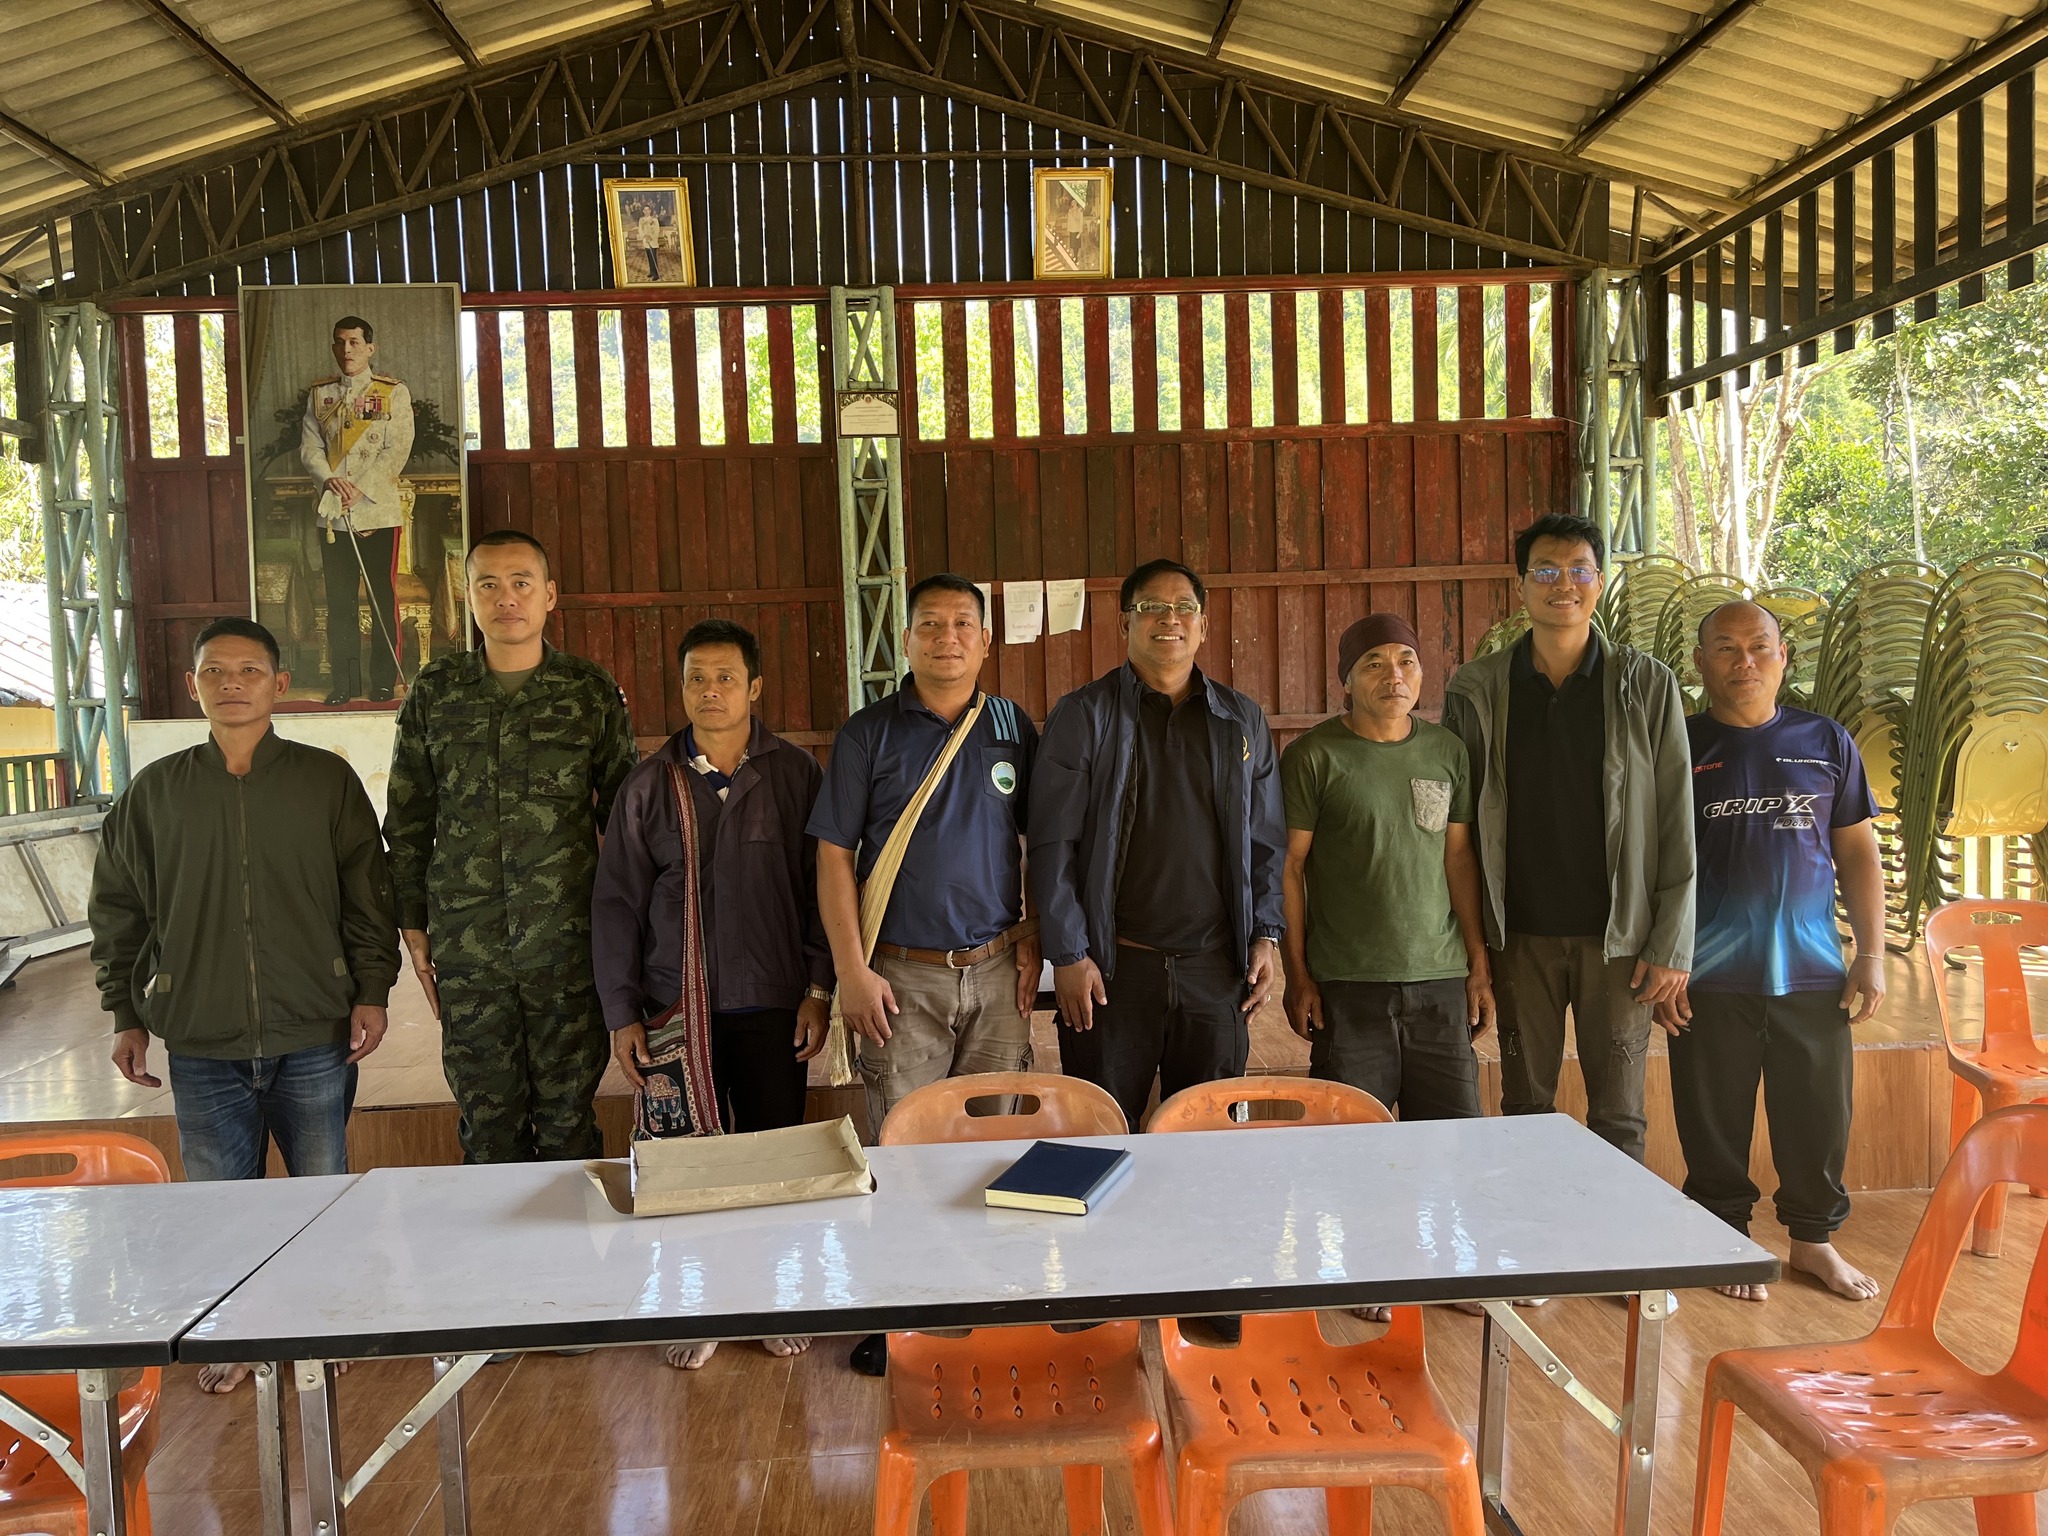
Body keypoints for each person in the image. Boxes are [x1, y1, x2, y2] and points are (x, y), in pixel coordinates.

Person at [89, 616, 397, 1394]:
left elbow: (368, 894)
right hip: (201, 1036)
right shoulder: (155, 794)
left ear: (279, 685)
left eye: (249, 671)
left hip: (314, 1028)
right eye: (214, 672)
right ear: (192, 685)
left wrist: (370, 989)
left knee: (320, 1194)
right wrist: (126, 1012)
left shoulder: (324, 782)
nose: (232, 684)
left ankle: (320, 1328)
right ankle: (233, 1333)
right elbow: (118, 910)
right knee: (220, 1204)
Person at [809, 573, 1039, 1376]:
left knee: (997, 1143)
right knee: (903, 1149)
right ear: (905, 640)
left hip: (996, 971)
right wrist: (850, 970)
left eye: (963, 624)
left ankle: (987, 1302)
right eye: (931, 625)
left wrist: (1034, 938)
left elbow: (1041, 845)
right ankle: (902, 1311)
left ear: (986, 641)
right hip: (902, 979)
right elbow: (834, 858)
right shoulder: (868, 734)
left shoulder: (1012, 727)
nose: (947, 638)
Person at [593, 618, 833, 1368]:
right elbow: (616, 904)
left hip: (772, 1003)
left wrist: (819, 987)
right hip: (675, 1011)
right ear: (682, 687)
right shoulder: (649, 785)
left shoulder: (795, 775)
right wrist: (622, 1014)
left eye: (726, 677)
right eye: (697, 677)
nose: (710, 690)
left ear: (755, 686)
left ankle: (772, 1299)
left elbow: (823, 891)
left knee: (771, 1160)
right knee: (685, 1168)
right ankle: (697, 1306)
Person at [1442, 512, 1694, 1163]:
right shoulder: (1477, 689)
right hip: (1518, 935)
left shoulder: (1646, 684)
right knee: (1524, 1109)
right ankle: (1532, 1230)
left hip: (1620, 936)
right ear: (1521, 585)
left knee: (1619, 1116)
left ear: (1599, 582)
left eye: (1579, 571)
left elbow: (1676, 815)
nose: (1564, 585)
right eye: (1546, 571)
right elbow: (1457, 827)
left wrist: (1671, 941)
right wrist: (1472, 946)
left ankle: (1617, 1234)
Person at [384, 528, 638, 1166]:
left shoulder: (588, 691)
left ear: (549, 595)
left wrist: (629, 937)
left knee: (569, 1126)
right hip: (469, 948)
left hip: (567, 945)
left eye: (521, 583)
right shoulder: (435, 691)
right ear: (467, 596)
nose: (506, 598)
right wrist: (411, 920)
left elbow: (627, 824)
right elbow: (409, 818)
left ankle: (574, 1233)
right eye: (488, 585)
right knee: (487, 1127)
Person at [1667, 601, 1886, 1304]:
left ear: (1783, 656)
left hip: (1813, 970)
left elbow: (1858, 853)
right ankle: (1723, 1235)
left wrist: (1872, 953)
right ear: (1699, 663)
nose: (1745, 662)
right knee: (1711, 1114)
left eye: (1759, 646)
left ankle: (1813, 1241)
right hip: (1705, 973)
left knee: (1818, 1113)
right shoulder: (1676, 745)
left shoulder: (1825, 740)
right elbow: (1645, 864)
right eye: (1725, 648)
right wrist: (1658, 963)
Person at [1029, 558, 1285, 1136]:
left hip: (1215, 971)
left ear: (1203, 625)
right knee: (1099, 1139)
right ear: (1125, 623)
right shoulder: (1084, 715)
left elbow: (1266, 840)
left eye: (1183, 608)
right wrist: (1067, 955)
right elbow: (1052, 845)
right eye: (1151, 608)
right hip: (1112, 972)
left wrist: (1266, 935)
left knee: (1208, 1141)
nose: (1169, 619)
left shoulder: (1240, 720)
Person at [1280, 613, 1494, 1120]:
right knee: (1350, 1149)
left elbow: (1459, 858)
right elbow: (1289, 867)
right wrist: (1298, 976)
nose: (1393, 676)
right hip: (1348, 986)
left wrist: (1478, 964)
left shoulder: (1447, 752)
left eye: (1406, 662)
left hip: (1440, 982)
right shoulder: (1312, 757)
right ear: (1347, 682)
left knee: (1452, 1146)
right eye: (1373, 664)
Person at [300, 315, 414, 705]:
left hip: (377, 512)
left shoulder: (393, 392)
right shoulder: (320, 395)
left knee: (382, 598)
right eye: (340, 342)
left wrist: (359, 488)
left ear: (369, 348)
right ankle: (345, 684)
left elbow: (396, 449)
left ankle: (383, 681)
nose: (346, 349)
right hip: (333, 513)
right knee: (340, 603)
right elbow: (310, 448)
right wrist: (331, 480)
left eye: (354, 342)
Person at [637, 203, 663, 280]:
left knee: (653, 258)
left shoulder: (654, 220)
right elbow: (640, 230)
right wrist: (645, 236)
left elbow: (657, 230)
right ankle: (652, 272)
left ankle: (656, 274)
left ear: (650, 211)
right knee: (649, 257)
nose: (646, 211)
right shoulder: (641, 220)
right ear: (643, 211)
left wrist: (651, 237)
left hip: (653, 241)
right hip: (646, 241)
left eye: (648, 210)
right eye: (645, 210)